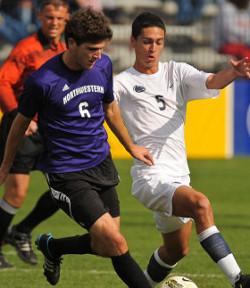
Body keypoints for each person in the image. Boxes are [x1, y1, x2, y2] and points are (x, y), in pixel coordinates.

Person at [0, 8, 154, 287]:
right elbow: (19, 123)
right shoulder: (43, 81)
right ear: (71, 43)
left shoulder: (103, 66)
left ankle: (54, 248)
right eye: (91, 49)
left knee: (107, 243)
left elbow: (110, 108)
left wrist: (131, 145)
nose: (97, 55)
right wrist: (5, 164)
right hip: (66, 172)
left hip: (100, 162)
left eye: (101, 49)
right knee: (117, 242)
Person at [114, 12, 250, 288]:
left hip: (179, 177)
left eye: (158, 42)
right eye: (146, 41)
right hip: (151, 177)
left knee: (176, 250)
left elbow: (211, 82)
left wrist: (233, 72)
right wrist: (130, 145)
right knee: (201, 204)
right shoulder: (121, 82)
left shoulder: (176, 71)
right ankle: (238, 280)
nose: (152, 48)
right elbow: (103, 108)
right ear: (133, 43)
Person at [0, 0, 69, 268]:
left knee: (64, 187)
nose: (54, 23)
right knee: (17, 192)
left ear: (66, 20)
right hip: (23, 127)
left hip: (51, 131)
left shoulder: (65, 49)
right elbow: (4, 82)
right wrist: (19, 115)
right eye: (49, 17)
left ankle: (22, 230)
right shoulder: (27, 48)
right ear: (40, 16)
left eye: (59, 19)